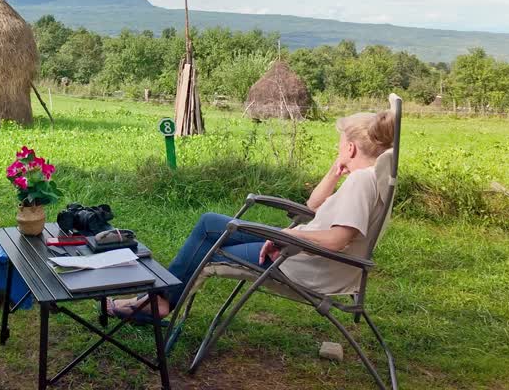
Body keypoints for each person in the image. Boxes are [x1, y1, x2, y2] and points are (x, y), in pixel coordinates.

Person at [108, 109, 395, 321]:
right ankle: (158, 299)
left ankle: (158, 302)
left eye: (340, 144)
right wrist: (337, 168)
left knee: (213, 248)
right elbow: (314, 203)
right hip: (300, 252)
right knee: (210, 225)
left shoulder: (361, 182)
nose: (337, 148)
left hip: (301, 262)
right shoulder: (369, 177)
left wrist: (287, 235)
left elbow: (336, 240)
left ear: (350, 147)